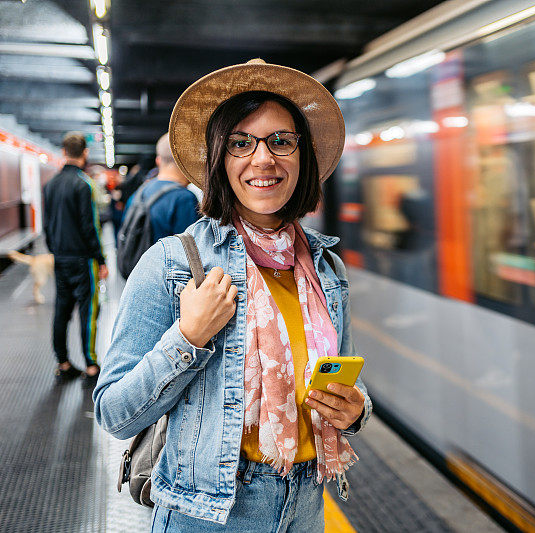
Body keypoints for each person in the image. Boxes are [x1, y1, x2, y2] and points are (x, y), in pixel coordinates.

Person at [93, 59, 371, 531]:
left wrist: (356, 408)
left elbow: (344, 376)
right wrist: (188, 337)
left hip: (306, 505)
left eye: (281, 141)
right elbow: (115, 413)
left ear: (302, 157)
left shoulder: (326, 268)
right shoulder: (172, 264)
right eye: (241, 143)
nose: (263, 159)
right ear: (219, 158)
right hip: (210, 514)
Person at [43, 132, 109, 383]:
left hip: (60, 258)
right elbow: (90, 225)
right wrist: (100, 259)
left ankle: (63, 362)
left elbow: (47, 225)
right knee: (88, 311)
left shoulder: (50, 184)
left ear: (63, 152)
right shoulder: (84, 184)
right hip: (84, 260)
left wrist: (54, 251)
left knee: (61, 310)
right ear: (84, 154)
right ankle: (91, 366)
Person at [132, 133, 201, 241]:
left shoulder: (140, 192)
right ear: (186, 161)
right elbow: (191, 250)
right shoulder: (184, 199)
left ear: (158, 161)